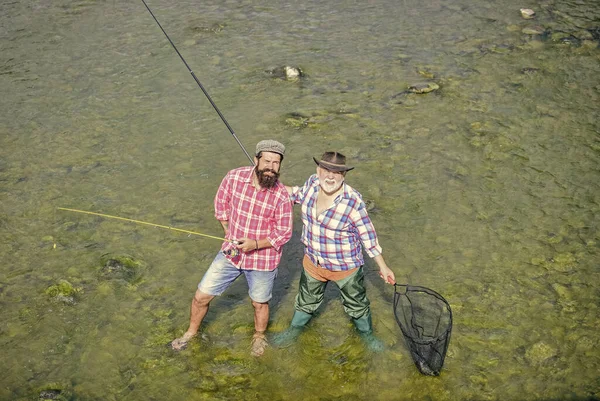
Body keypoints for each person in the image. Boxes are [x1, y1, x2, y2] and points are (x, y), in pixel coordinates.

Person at [170, 140, 293, 357]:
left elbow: (284, 233)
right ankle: (191, 332)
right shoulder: (234, 177)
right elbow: (221, 204)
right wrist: (228, 230)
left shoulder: (281, 194)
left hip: (263, 258)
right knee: (201, 296)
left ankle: (258, 336)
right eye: (266, 161)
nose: (271, 167)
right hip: (232, 251)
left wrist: (255, 244)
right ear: (256, 160)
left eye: (276, 163)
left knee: (259, 303)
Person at [274, 151, 396, 351]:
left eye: (336, 172)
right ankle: (294, 330)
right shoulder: (313, 183)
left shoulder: (353, 201)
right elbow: (296, 193)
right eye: (326, 170)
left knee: (357, 305)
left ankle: (367, 336)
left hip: (345, 268)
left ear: (344, 175)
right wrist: (271, 184)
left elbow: (369, 237)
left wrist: (383, 267)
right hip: (313, 263)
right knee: (306, 301)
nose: (330, 176)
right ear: (318, 170)